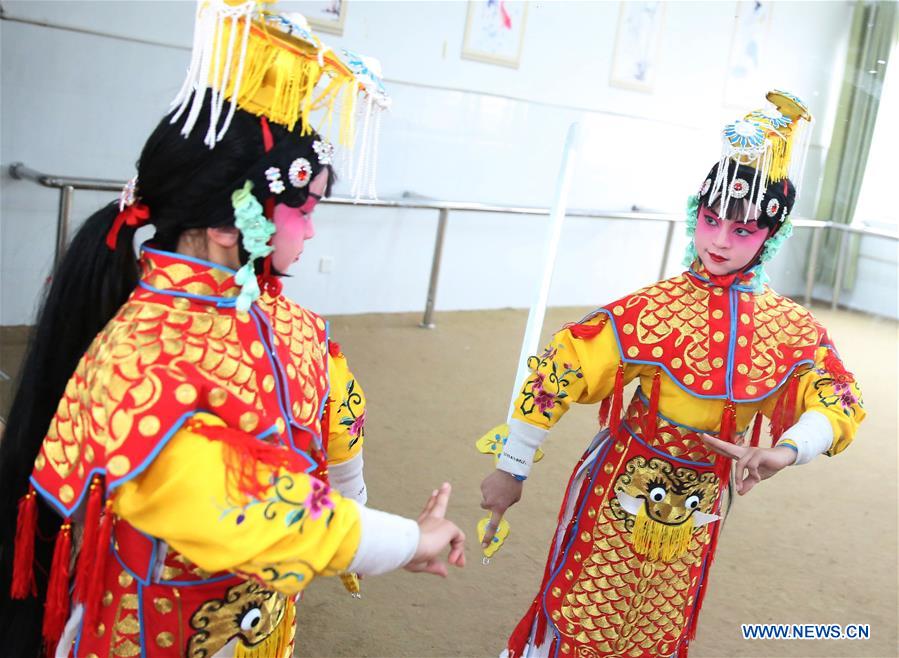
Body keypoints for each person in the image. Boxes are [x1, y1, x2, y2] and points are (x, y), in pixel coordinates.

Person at [0, 5, 464, 657]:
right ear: (226, 226)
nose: (310, 230)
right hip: (152, 632)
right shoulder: (137, 358)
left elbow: (340, 438)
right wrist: (401, 540)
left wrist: (367, 533)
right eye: (302, 211)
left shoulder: (299, 331)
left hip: (261, 625)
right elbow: (239, 502)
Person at [479, 90, 865, 658]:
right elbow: (561, 368)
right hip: (619, 485)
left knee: (660, 624)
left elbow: (841, 400)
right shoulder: (652, 309)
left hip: (703, 498)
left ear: (770, 237)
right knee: (587, 608)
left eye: (742, 231)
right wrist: (512, 467)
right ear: (696, 215)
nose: (719, 242)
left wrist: (786, 450)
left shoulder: (790, 327)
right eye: (711, 221)